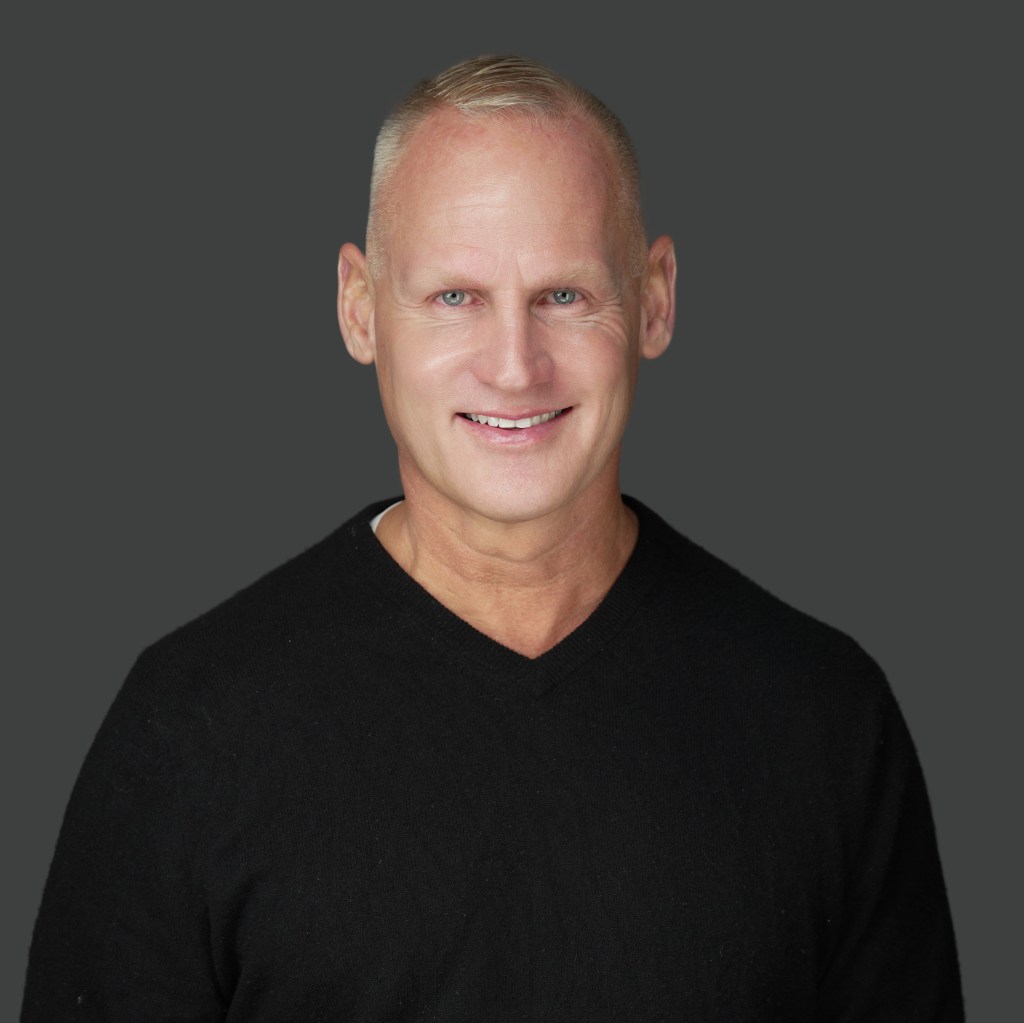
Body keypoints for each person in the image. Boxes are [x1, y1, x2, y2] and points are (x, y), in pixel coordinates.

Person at [22, 55, 963, 1020]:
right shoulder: (188, 733)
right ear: (359, 308)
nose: (515, 367)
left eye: (563, 295)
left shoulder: (824, 720)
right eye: (455, 298)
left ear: (655, 299)